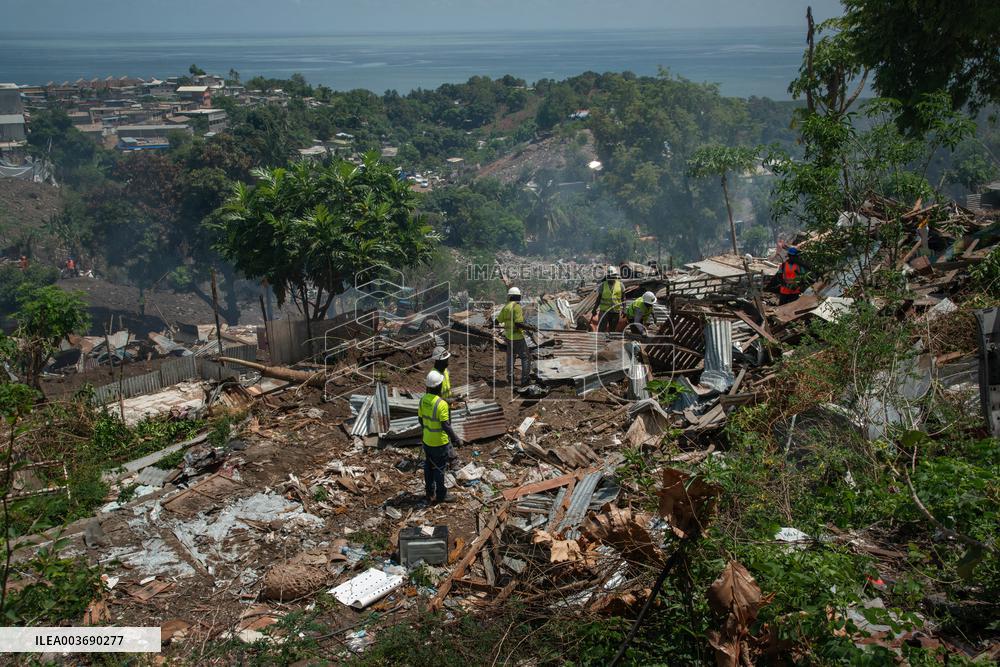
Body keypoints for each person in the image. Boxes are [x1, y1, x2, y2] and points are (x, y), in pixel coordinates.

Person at [418, 369, 462, 504]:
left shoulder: (423, 400)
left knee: (428, 466)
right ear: (439, 386)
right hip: (439, 443)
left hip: (427, 441)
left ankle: (429, 492)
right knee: (439, 468)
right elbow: (446, 425)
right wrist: (456, 439)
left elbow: (420, 420)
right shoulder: (441, 404)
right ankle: (441, 495)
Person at [496, 286, 530, 387]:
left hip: (508, 337)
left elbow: (498, 320)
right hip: (517, 336)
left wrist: (490, 324)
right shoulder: (517, 307)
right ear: (518, 297)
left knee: (510, 357)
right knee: (525, 357)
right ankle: (525, 381)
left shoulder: (506, 307)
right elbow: (519, 323)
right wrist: (529, 327)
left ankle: (510, 378)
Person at [591, 266, 623, 332]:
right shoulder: (603, 285)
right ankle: (600, 341)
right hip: (604, 311)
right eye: (609, 276)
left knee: (612, 330)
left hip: (615, 311)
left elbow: (623, 298)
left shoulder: (620, 285)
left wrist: (624, 309)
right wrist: (594, 309)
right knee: (601, 329)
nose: (611, 278)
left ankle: (611, 342)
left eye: (612, 276)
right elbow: (599, 298)